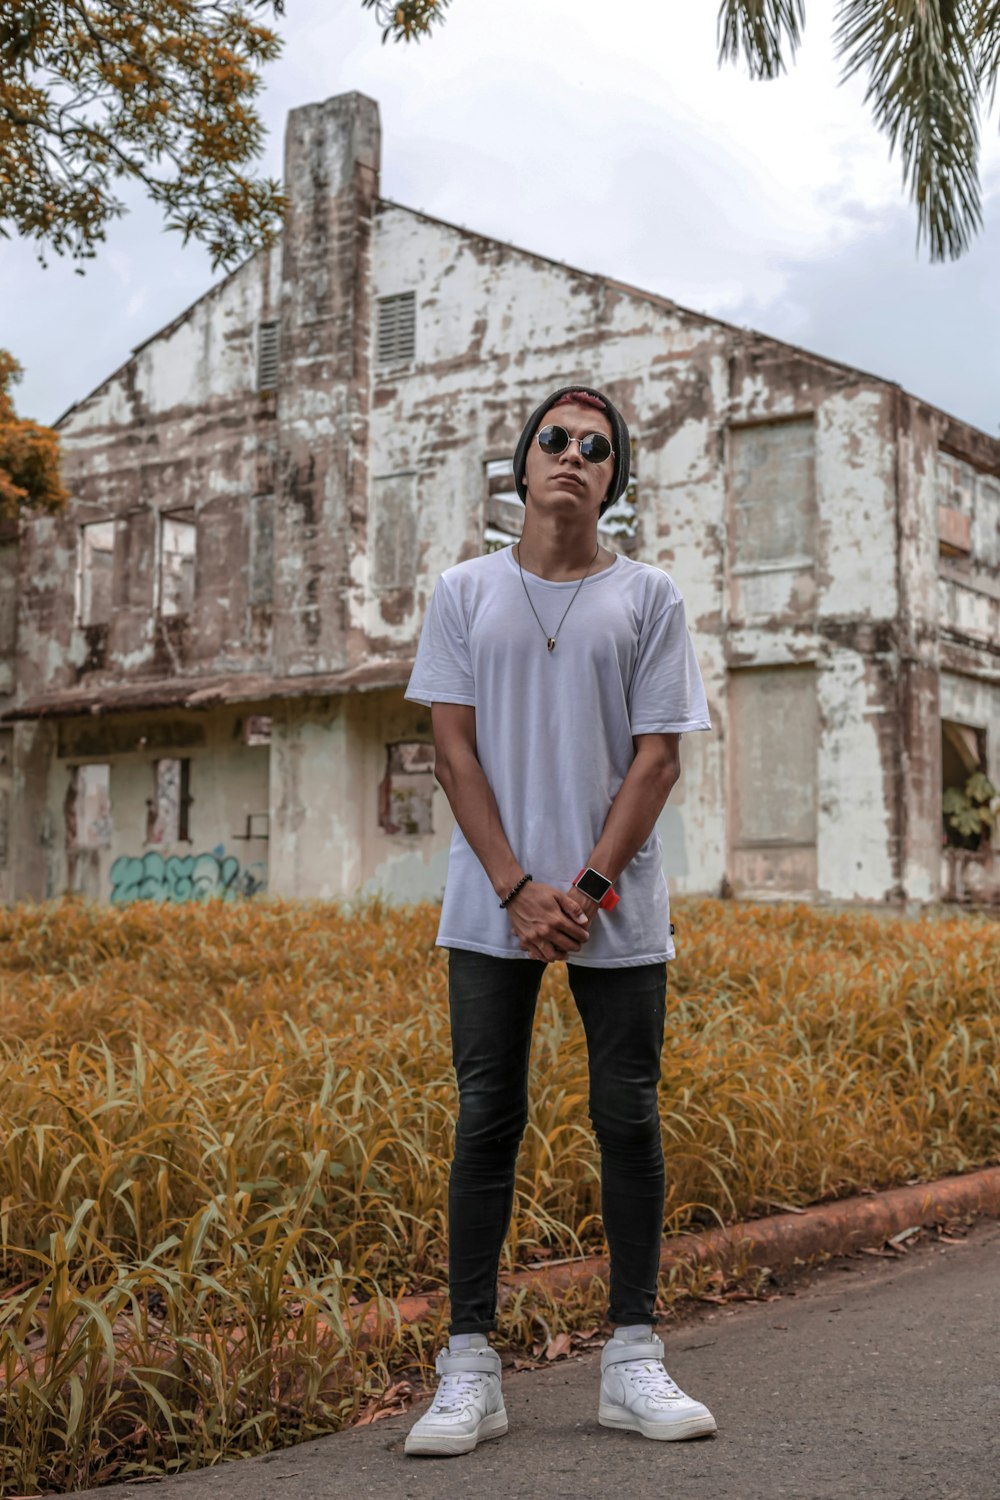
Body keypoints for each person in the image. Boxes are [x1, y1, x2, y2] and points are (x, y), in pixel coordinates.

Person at [402, 384, 715, 1457]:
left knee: (625, 1113)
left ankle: (632, 1359)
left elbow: (658, 756)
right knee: (487, 1115)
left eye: (595, 446)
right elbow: (452, 749)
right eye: (555, 440)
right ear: (522, 466)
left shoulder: (648, 597)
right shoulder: (463, 591)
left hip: (607, 908)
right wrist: (513, 887)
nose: (573, 455)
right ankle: (468, 1370)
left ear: (610, 476)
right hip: (492, 904)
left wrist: (579, 890)